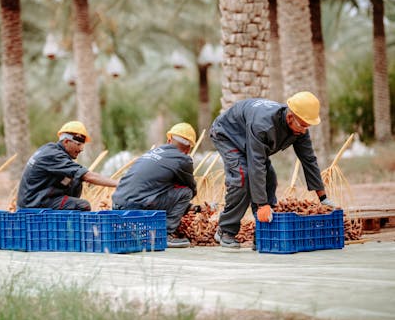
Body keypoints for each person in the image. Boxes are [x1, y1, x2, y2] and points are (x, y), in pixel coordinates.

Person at [209, 91, 337, 249]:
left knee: (270, 179)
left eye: (308, 125)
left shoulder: (300, 125)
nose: (305, 130)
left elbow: (309, 159)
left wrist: (322, 197)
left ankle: (263, 233)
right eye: (303, 125)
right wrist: (262, 204)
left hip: (249, 139)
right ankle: (225, 230)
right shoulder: (263, 126)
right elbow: (256, 165)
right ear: (290, 117)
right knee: (243, 178)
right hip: (228, 135)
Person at [112, 123, 198, 248]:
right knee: (186, 192)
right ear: (189, 149)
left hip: (117, 204)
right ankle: (165, 234)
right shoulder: (183, 159)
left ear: (169, 140)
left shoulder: (152, 152)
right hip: (136, 205)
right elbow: (191, 188)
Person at [17, 121, 118, 211]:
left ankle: (65, 220)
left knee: (76, 180)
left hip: (36, 198)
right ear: (66, 142)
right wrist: (119, 183)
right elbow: (88, 176)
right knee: (83, 205)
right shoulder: (54, 156)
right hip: (32, 204)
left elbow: (79, 175)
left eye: (82, 145)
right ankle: (72, 231)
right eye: (78, 144)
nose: (81, 149)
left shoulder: (50, 149)